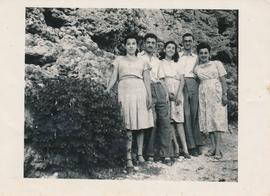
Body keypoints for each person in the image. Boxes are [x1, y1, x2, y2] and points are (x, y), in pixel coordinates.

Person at [105, 34, 154, 172]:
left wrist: (149, 96)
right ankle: (128, 157)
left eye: (134, 43)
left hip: (139, 89)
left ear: (137, 46)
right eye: (129, 43)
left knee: (140, 123)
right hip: (125, 90)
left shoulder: (143, 61)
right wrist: (108, 89)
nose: (131, 46)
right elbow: (114, 75)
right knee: (127, 124)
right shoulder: (119, 60)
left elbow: (147, 79)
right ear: (125, 46)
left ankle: (139, 154)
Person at [138, 33, 174, 165]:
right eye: (148, 42)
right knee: (151, 121)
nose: (151, 45)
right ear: (143, 44)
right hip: (145, 89)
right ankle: (150, 153)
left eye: (153, 43)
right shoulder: (138, 58)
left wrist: (165, 94)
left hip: (159, 88)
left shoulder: (158, 61)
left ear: (156, 45)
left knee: (165, 121)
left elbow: (162, 79)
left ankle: (166, 154)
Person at [194, 42, 228, 160]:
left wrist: (224, 94)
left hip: (216, 93)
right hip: (203, 94)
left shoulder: (216, 64)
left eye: (205, 53)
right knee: (208, 121)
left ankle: (218, 150)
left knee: (217, 120)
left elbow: (223, 80)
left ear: (209, 54)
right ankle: (213, 148)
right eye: (201, 53)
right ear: (198, 54)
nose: (203, 55)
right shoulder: (197, 68)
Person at [159, 41, 191, 159]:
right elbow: (161, 79)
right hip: (166, 90)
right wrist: (167, 93)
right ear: (165, 49)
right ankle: (176, 147)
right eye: (169, 47)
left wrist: (178, 95)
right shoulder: (160, 62)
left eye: (173, 48)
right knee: (170, 121)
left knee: (179, 121)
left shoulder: (178, 63)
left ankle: (185, 148)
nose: (171, 49)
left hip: (177, 90)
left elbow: (182, 80)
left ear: (175, 50)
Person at [178, 33, 204, 156]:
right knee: (186, 115)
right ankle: (191, 145)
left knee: (195, 114)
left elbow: (200, 71)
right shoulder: (178, 56)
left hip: (193, 83)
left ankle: (198, 143)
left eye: (190, 41)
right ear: (182, 43)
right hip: (182, 84)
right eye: (185, 41)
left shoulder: (196, 57)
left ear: (192, 42)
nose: (187, 43)